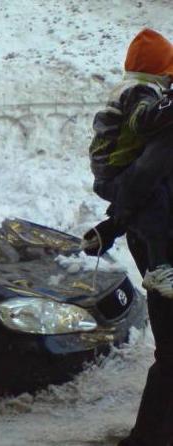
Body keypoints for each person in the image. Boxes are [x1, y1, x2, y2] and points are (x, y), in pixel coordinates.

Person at [84, 28, 173, 446]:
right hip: (163, 253)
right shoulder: (151, 109)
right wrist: (117, 222)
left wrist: (112, 225)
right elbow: (143, 182)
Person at [86, 28, 173, 298]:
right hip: (117, 172)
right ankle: (159, 267)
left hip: (115, 174)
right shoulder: (141, 91)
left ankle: (115, 230)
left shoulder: (131, 88)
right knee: (155, 201)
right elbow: (142, 125)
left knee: (152, 199)